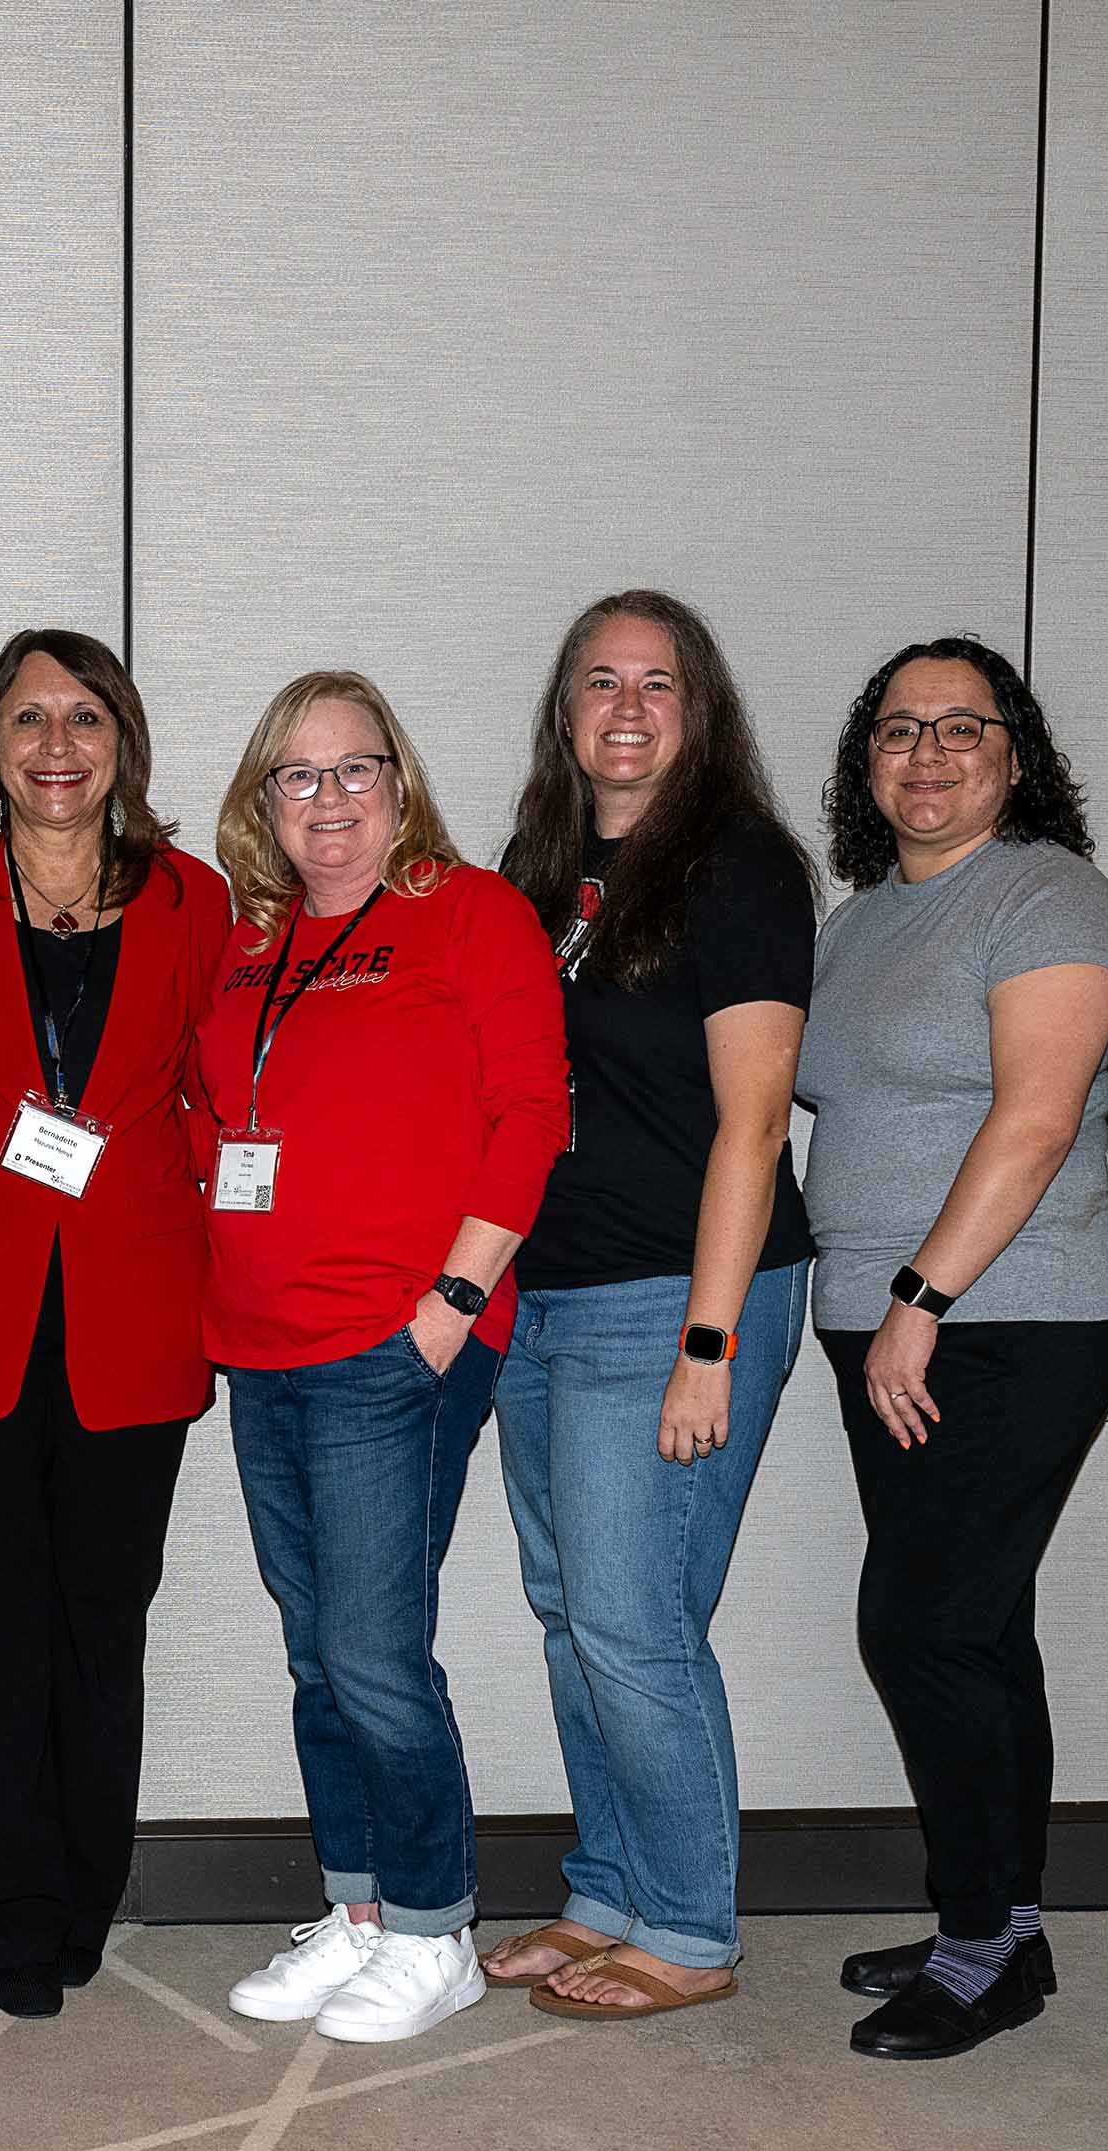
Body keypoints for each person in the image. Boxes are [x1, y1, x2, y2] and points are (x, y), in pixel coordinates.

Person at [199, 671, 569, 2045]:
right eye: (299, 775)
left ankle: (434, 1924)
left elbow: (531, 1110)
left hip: (396, 1341)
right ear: (265, 801)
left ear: (401, 786)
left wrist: (453, 1297)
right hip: (262, 1344)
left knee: (374, 1648)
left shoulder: (470, 916)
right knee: (318, 1651)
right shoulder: (252, 945)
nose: (330, 799)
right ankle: (356, 1910)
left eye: (357, 771)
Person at [0, 630, 232, 2019]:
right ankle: (6, 1916)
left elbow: (232, 1079)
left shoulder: (195, 901)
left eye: (85, 717)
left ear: (122, 743)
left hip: (133, 1312)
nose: (57, 745)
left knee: (101, 1622)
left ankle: (84, 1889)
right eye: (29, 719)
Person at [478, 593, 814, 2021]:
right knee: (573, 1614)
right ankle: (609, 1881)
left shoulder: (738, 866)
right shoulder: (540, 870)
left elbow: (753, 1125)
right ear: (564, 711)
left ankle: (687, 1919)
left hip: (680, 1293)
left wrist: (709, 1344)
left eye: (658, 682)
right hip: (547, 1299)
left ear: (702, 707)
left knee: (636, 1621)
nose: (627, 706)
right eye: (599, 681)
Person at [798, 637, 1108, 2060]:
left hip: (1003, 1320)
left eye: (961, 727)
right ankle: (995, 1923)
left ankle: (985, 1940)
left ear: (1017, 751)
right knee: (981, 1631)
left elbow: (1040, 1116)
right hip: (890, 1329)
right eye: (896, 729)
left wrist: (919, 1301)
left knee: (922, 1626)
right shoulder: (864, 916)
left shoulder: (1051, 894)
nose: (925, 754)